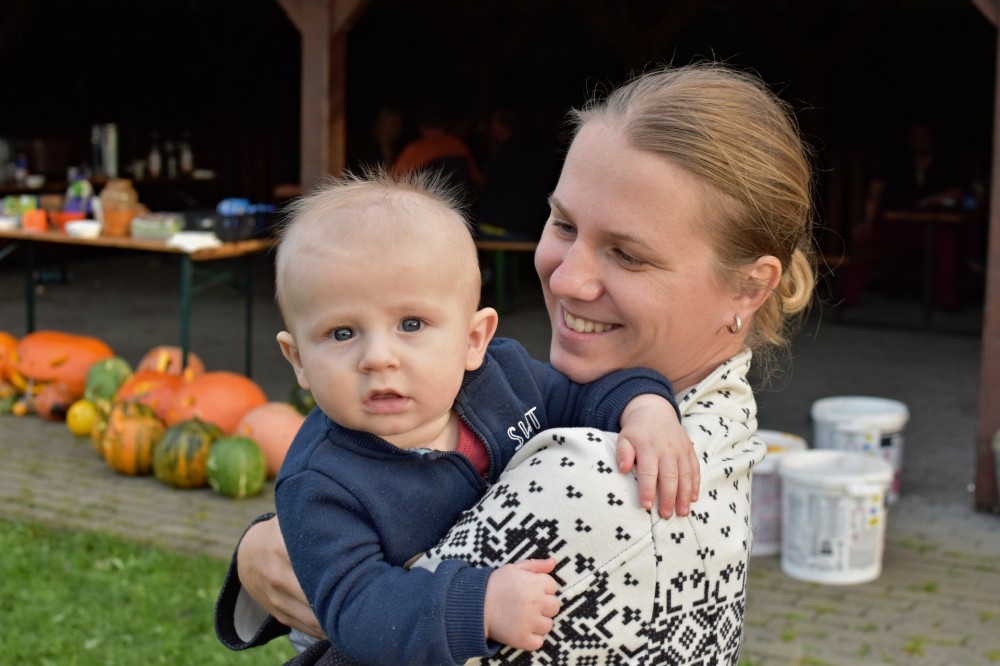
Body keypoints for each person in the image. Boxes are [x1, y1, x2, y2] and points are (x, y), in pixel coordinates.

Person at [217, 62, 817, 665]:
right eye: (563, 224)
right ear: (296, 357)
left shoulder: (601, 485)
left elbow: (367, 639)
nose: (566, 278)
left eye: (628, 255)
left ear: (748, 287)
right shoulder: (716, 424)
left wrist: (645, 408)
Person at [233, 167, 698, 664]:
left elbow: (585, 397)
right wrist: (476, 606)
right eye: (342, 333)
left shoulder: (505, 378)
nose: (378, 357)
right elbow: (356, 609)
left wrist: (646, 409)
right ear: (298, 360)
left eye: (411, 324)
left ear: (475, 339)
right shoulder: (320, 482)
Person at [843, 119, 970, 309]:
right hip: (894, 223)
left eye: (924, 137)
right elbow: (875, 192)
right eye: (915, 137)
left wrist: (930, 200)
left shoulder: (946, 162)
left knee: (947, 242)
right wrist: (868, 221)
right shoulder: (896, 159)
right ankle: (846, 297)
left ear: (932, 139)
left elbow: (958, 192)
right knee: (864, 238)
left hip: (931, 224)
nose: (919, 142)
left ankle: (946, 299)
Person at [390, 104, 484, 204]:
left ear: (419, 125)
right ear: (445, 124)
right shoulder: (459, 146)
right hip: (458, 207)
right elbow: (478, 181)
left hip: (427, 207)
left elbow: (392, 184)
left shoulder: (415, 150)